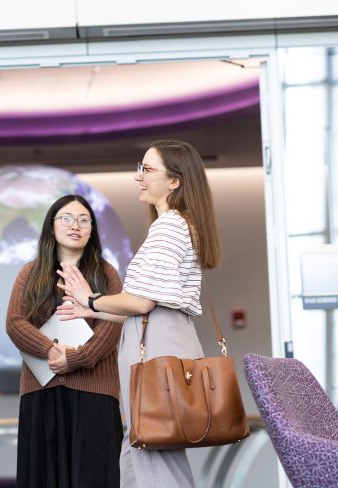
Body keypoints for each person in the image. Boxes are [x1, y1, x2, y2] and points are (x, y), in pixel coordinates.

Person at [57, 140, 221, 488]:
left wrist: (92, 300)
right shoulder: (177, 225)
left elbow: (142, 302)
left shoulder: (169, 227)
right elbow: (151, 308)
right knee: (142, 451)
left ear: (174, 181)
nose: (138, 177)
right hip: (166, 338)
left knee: (154, 456)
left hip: (158, 348)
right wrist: (91, 308)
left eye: (147, 169)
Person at [5, 195, 124, 488]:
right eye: (67, 218)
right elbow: (15, 323)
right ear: (52, 226)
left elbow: (113, 325)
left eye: (85, 220)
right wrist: (51, 350)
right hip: (41, 390)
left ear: (92, 229)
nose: (76, 226)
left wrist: (77, 358)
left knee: (95, 476)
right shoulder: (30, 273)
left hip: (95, 391)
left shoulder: (106, 273)